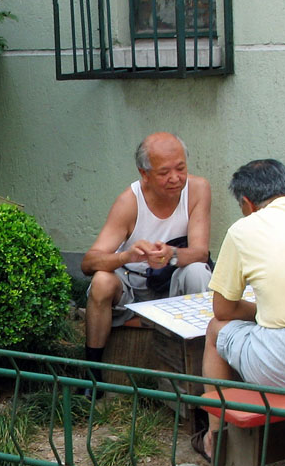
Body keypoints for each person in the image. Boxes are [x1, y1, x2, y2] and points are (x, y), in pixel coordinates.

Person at [195, 159, 285, 460]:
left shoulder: (243, 229)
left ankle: (216, 433)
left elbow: (223, 309)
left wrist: (261, 311)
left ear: (247, 203)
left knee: (215, 331)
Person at [80, 132, 212, 391]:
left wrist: (170, 254)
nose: (175, 178)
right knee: (102, 281)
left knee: (198, 271)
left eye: (181, 168)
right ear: (144, 173)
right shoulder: (129, 202)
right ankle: (92, 375)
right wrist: (126, 256)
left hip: (172, 283)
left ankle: (202, 370)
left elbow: (200, 253)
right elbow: (88, 262)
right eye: (164, 172)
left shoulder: (198, 190)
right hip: (132, 286)